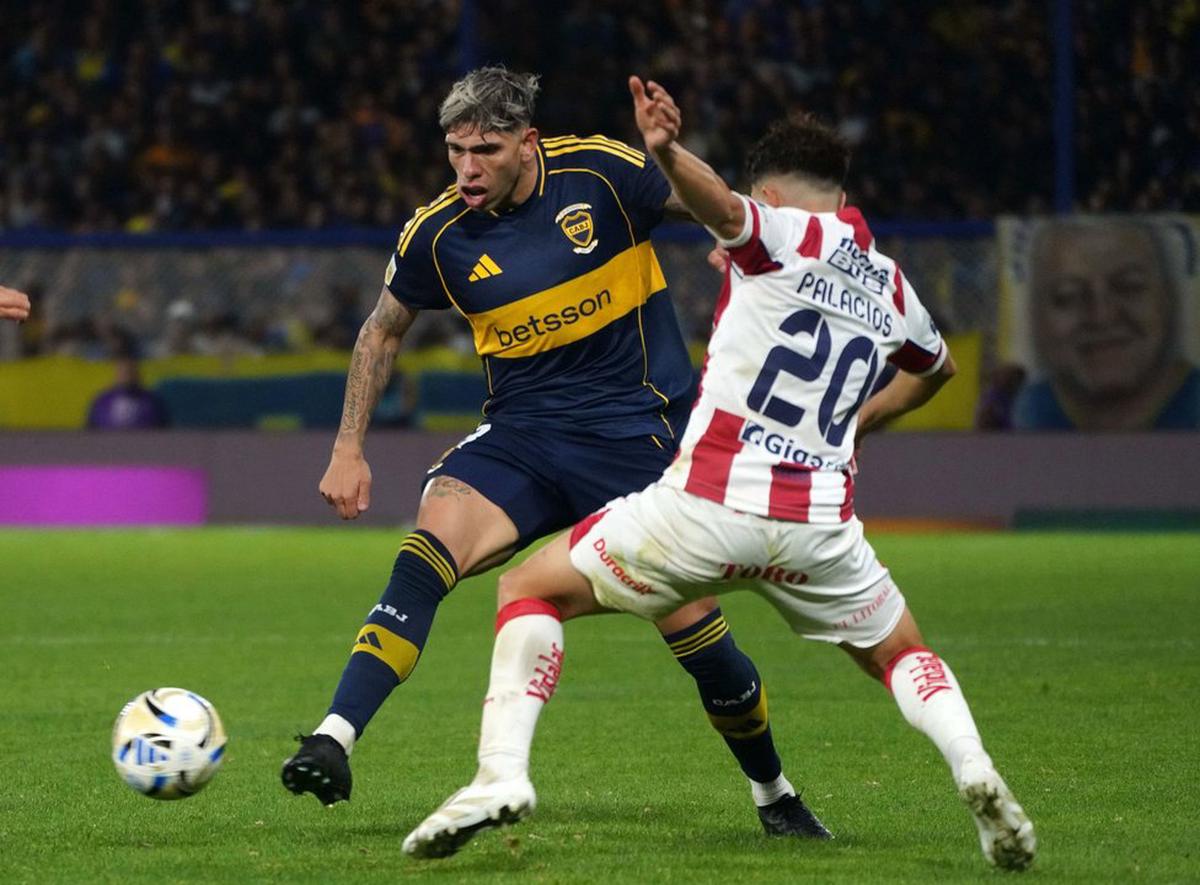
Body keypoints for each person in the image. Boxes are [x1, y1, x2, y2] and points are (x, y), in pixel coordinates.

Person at [402, 78, 1037, 872]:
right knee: (903, 652)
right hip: (821, 527)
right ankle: (974, 766)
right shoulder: (891, 283)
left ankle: (499, 773)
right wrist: (857, 424)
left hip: (709, 505)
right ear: (842, 197)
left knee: (528, 587)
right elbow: (936, 370)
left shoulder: (771, 230)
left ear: (769, 194)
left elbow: (715, 204)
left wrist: (667, 150)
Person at [281, 66, 827, 840]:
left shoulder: (600, 174)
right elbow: (382, 329)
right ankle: (332, 738)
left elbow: (718, 208)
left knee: (697, 634)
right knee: (426, 548)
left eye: (486, 150)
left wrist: (734, 230)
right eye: (455, 150)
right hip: (525, 437)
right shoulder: (437, 235)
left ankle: (774, 794)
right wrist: (348, 446)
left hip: (637, 441)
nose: (467, 169)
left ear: (527, 142)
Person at [1014, 218, 1199, 430]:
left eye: (1129, 287)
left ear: (1168, 300)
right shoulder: (1027, 411)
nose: (1102, 316)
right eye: (1069, 296)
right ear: (1037, 317)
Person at [86, 349, 170, 430]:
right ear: (117, 373)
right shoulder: (102, 401)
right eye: (123, 371)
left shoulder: (152, 401)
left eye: (130, 371)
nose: (127, 375)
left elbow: (164, 429)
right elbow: (90, 429)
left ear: (138, 373)